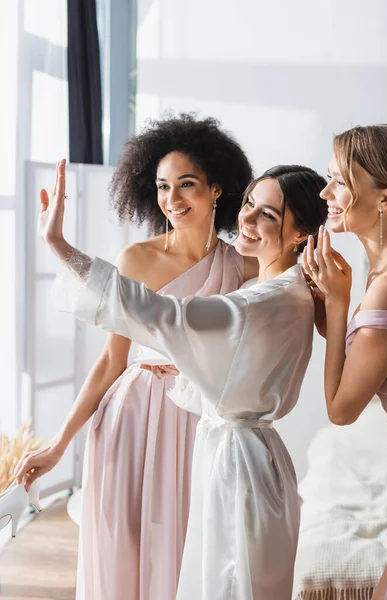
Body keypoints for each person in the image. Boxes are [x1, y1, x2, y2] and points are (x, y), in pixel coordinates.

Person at [36, 159, 327, 599]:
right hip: (216, 446)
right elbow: (130, 351)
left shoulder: (267, 298)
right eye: (249, 204)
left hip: (233, 459)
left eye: (267, 214)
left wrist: (58, 245)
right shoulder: (287, 289)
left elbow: (165, 315)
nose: (246, 219)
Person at [14, 115, 257, 600]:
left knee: (191, 547)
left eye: (186, 185)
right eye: (163, 187)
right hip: (133, 415)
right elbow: (110, 363)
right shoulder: (137, 259)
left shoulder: (246, 266)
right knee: (122, 540)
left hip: (201, 419)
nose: (172, 199)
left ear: (216, 189)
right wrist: (60, 445)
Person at [302, 124, 387, 600]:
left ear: (386, 198)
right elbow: (363, 349)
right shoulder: (380, 267)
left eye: (340, 181)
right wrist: (326, 302)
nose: (326, 193)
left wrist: (337, 304)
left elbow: (340, 410)